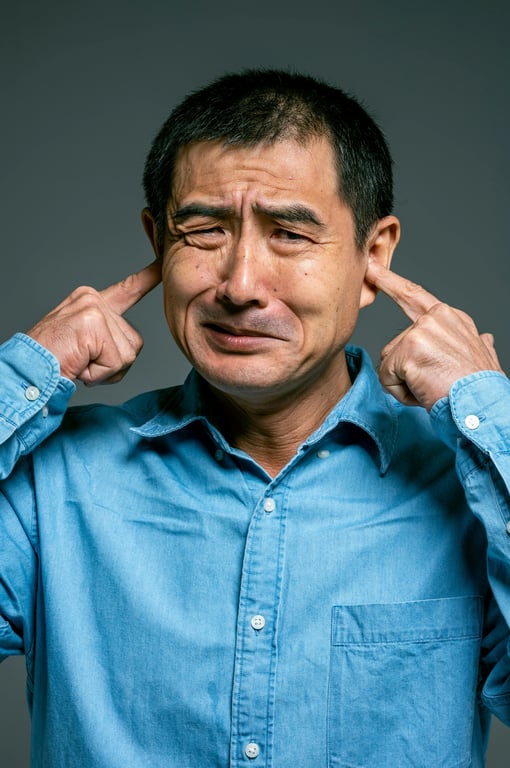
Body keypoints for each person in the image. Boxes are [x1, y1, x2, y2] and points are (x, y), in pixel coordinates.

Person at [0, 69, 509, 768]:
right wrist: (23, 373)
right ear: (158, 242)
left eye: (290, 234)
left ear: (373, 256)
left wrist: (490, 412)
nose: (240, 286)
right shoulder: (52, 484)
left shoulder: (471, 490)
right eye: (204, 230)